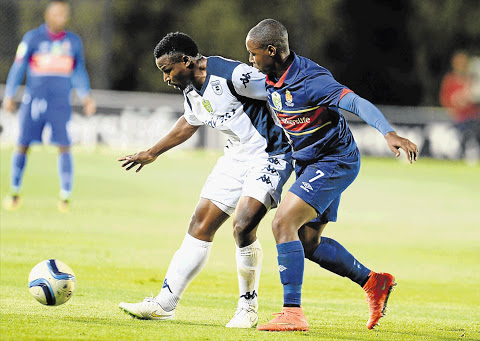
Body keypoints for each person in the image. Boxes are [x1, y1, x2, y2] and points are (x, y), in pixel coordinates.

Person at [245, 19, 419, 331]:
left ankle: (292, 312)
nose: (250, 60)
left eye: (254, 54)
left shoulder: (311, 79)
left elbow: (355, 102)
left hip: (334, 161)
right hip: (310, 163)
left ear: (271, 51)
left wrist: (388, 132)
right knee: (307, 242)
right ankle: (374, 282)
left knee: (282, 222)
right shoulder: (270, 75)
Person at [117, 32, 293, 328]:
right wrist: (152, 152)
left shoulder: (233, 75)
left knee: (243, 223)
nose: (166, 78)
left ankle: (247, 308)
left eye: (168, 70)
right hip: (235, 157)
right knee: (200, 223)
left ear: (186, 60)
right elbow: (190, 121)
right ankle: (164, 303)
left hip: (270, 155)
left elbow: (283, 90)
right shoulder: (189, 86)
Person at [2, 0, 96, 212]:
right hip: (33, 101)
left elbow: (79, 71)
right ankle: (14, 192)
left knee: (64, 145)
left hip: (60, 103)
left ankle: (65, 196)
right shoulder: (32, 38)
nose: (61, 17)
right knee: (23, 144)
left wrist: (85, 95)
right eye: (57, 13)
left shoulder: (73, 42)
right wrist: (10, 94)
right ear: (48, 15)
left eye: (64, 14)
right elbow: (18, 67)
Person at [439, 51, 480, 161]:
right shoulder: (449, 79)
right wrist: (456, 102)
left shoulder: (472, 79)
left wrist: (469, 97)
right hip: (457, 119)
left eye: (464, 62)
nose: (461, 64)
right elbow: (445, 99)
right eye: (459, 62)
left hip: (473, 119)